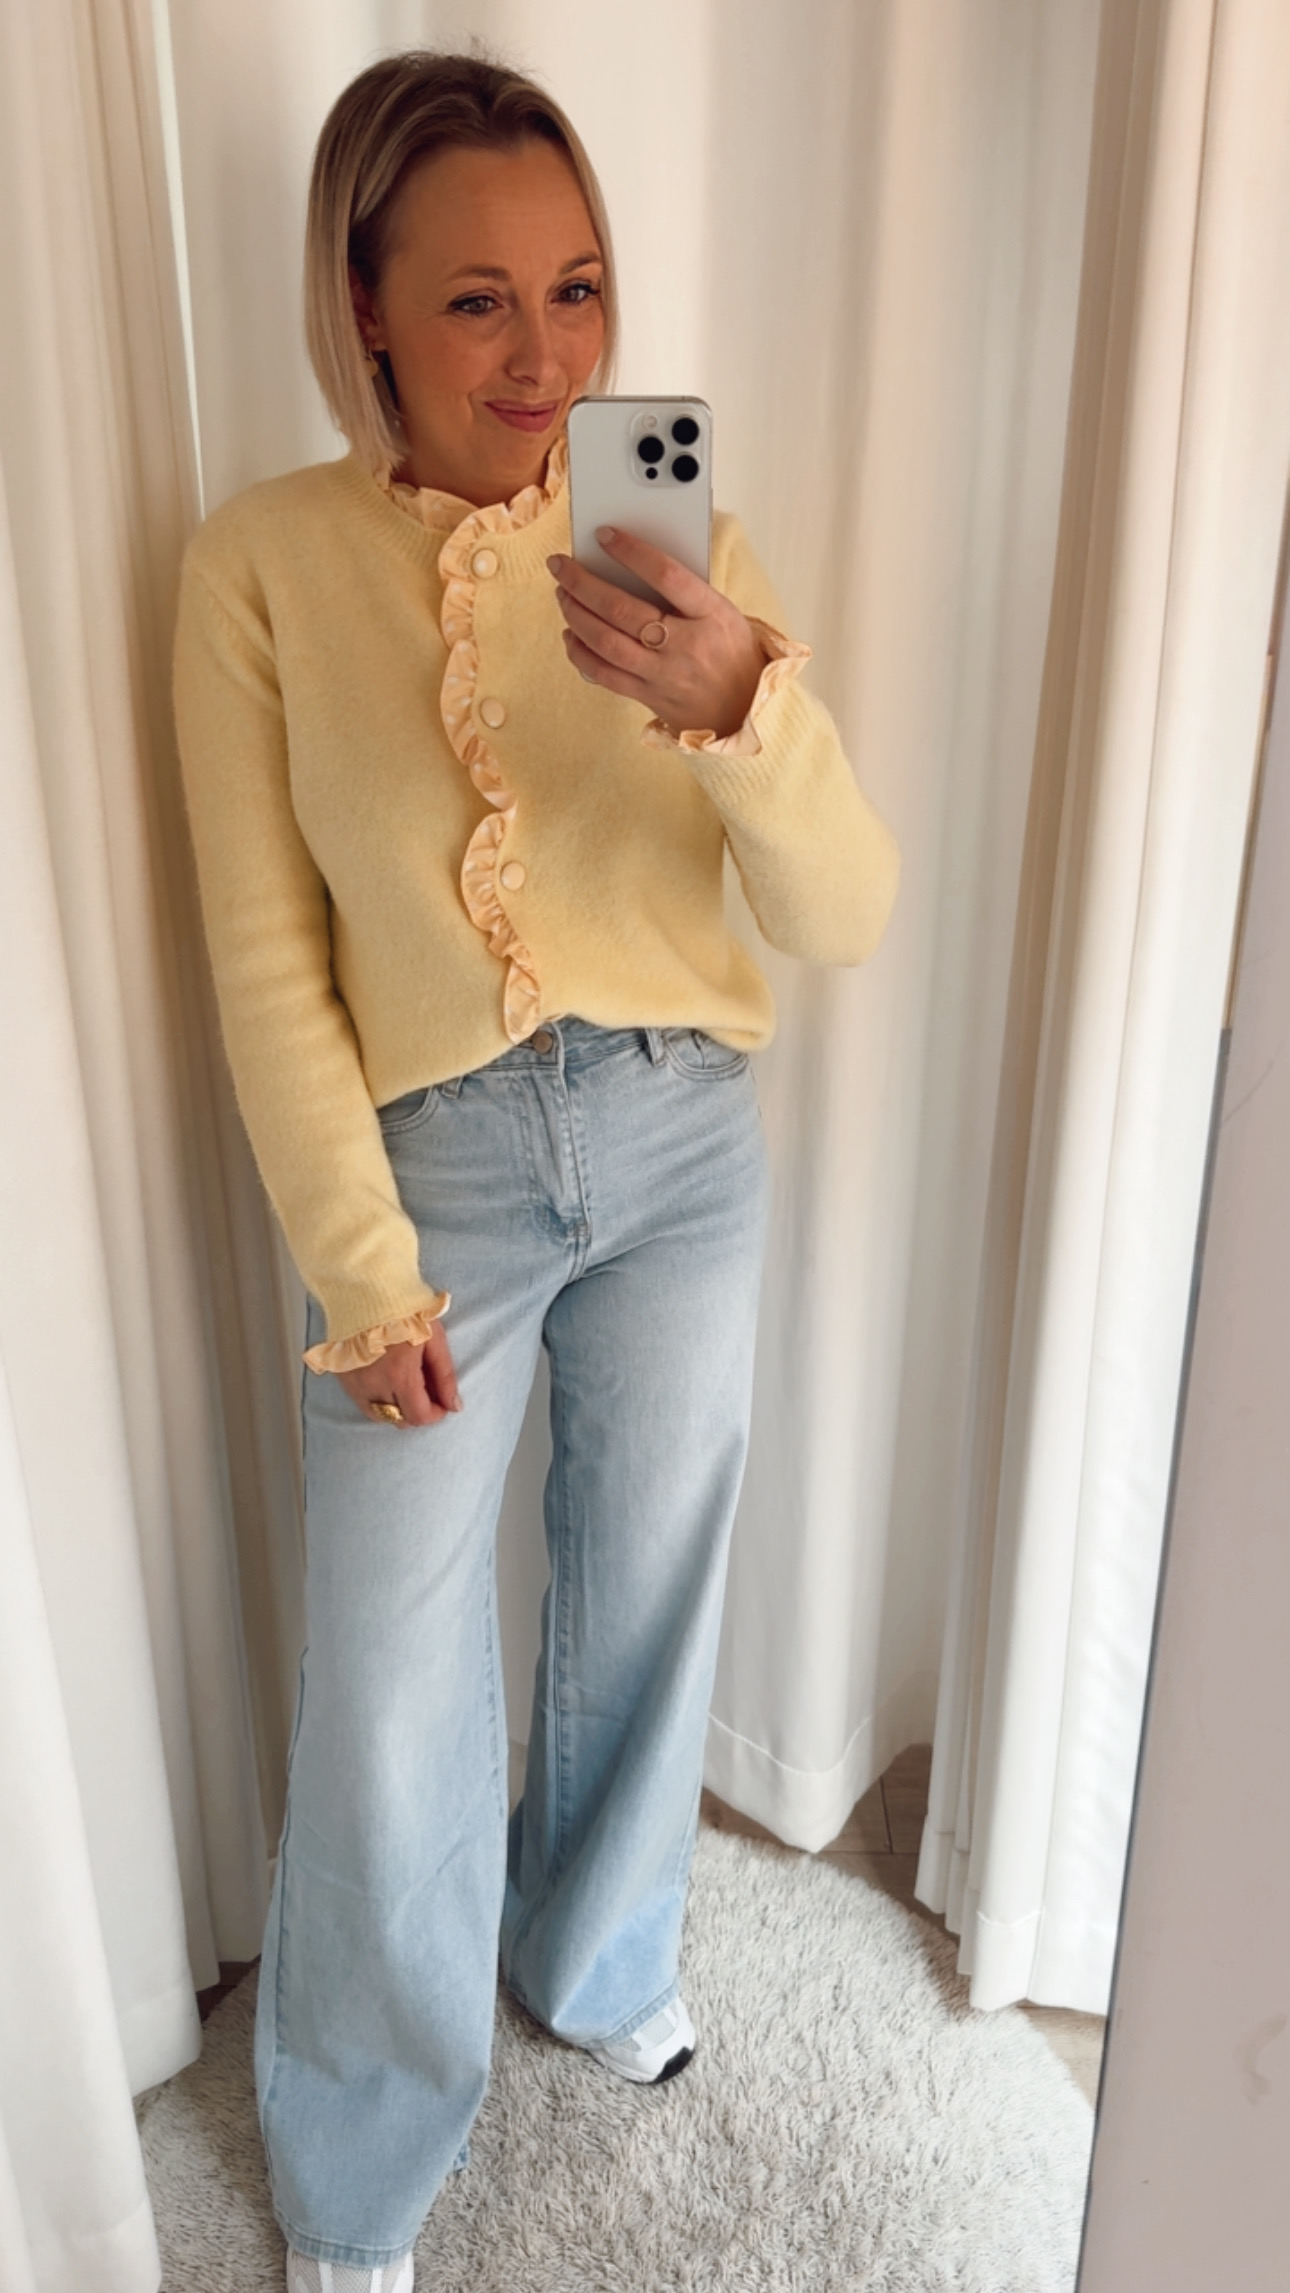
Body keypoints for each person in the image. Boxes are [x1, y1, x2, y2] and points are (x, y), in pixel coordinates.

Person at [173, 48, 899, 2293]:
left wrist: (739, 708)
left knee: (646, 1583)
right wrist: (360, 1267)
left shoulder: (684, 542)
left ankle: (597, 1956)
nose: (544, 354)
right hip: (435, 1174)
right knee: (389, 1680)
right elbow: (266, 958)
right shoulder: (258, 567)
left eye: (575, 289)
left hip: (683, 1134)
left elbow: (844, 910)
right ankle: (359, 2160)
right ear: (366, 310)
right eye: (476, 299)